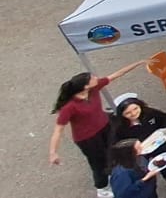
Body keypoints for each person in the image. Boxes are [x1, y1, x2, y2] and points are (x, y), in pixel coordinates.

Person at [49, 60, 149, 196]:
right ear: (85, 86)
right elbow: (58, 130)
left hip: (105, 127)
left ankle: (117, 174)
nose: (96, 78)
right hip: (87, 138)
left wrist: (139, 63)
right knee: (98, 163)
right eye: (92, 78)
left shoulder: (94, 88)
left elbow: (116, 74)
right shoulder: (70, 107)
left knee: (115, 151)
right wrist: (53, 152)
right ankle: (102, 188)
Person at [110, 98, 166, 189]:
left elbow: (164, 118)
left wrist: (162, 131)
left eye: (135, 109)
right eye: (127, 113)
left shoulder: (149, 113)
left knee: (165, 161)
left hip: (157, 143)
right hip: (138, 152)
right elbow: (117, 143)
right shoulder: (119, 127)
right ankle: (147, 187)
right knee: (142, 170)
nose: (133, 113)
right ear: (122, 115)